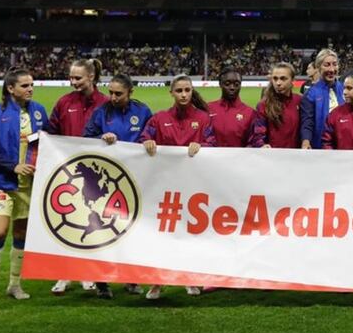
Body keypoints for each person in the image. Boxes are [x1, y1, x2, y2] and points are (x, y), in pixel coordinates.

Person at [0, 69, 48, 306]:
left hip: (28, 185)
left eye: (31, 85)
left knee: (21, 235)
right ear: (10, 88)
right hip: (0, 182)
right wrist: (12, 166)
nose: (30, 89)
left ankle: (14, 284)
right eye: (25, 85)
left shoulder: (39, 112)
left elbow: (47, 141)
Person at [139, 75, 215, 300]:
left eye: (187, 90)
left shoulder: (203, 119)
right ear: (171, 93)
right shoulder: (159, 118)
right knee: (162, 236)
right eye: (179, 90)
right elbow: (143, 139)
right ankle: (157, 282)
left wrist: (202, 146)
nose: (183, 94)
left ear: (192, 92)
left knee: (190, 235)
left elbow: (213, 145)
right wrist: (147, 142)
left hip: (193, 187)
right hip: (164, 188)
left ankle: (189, 277)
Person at [84, 73, 152, 298]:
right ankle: (102, 282)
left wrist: (147, 142)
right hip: (105, 182)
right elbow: (85, 139)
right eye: (111, 92)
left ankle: (132, 279)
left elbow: (151, 136)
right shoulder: (101, 113)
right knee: (104, 230)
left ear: (130, 92)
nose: (112, 97)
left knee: (133, 230)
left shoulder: (142, 111)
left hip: (135, 180)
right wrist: (101, 137)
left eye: (118, 93)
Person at [49, 58, 108, 295]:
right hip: (68, 173)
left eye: (78, 78)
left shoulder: (105, 103)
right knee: (68, 225)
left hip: (98, 173)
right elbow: (51, 131)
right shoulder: (64, 103)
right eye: (71, 77)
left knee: (93, 223)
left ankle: (89, 273)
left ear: (91, 77)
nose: (73, 82)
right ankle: (65, 274)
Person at [300, 49, 344, 149]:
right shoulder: (310, 94)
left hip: (343, 148)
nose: (332, 69)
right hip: (320, 147)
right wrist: (306, 141)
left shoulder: (345, 89)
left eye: (334, 64)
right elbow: (307, 122)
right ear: (318, 68)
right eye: (327, 65)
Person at [208, 68, 263, 148]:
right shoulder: (208, 109)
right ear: (220, 84)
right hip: (211, 159)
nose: (232, 87)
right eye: (227, 84)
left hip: (239, 159)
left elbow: (253, 142)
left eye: (236, 84)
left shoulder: (250, 113)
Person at [255, 62, 302, 149]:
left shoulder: (300, 101)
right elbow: (258, 132)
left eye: (283, 79)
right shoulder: (263, 104)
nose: (278, 83)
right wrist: (261, 145)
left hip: (296, 156)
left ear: (292, 80)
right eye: (275, 79)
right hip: (273, 157)